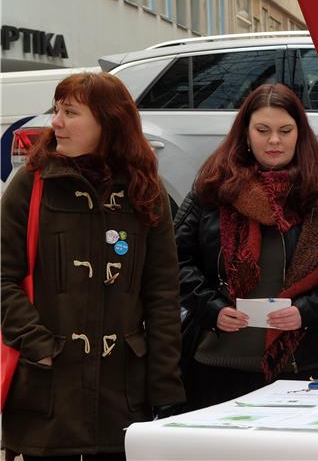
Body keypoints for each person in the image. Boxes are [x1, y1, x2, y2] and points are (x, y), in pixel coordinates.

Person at [1, 72, 185, 460]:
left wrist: (166, 392)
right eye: (57, 110)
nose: (56, 122)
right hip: (48, 395)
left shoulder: (146, 192)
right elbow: (3, 278)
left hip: (123, 398)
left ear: (108, 122)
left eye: (70, 112)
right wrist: (38, 343)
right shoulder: (31, 185)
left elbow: (163, 297)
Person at [175, 83, 318, 410]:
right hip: (216, 365)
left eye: (285, 130)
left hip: (301, 364)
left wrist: (306, 311)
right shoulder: (212, 189)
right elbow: (174, 260)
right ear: (245, 134)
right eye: (262, 130)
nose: (274, 140)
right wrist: (212, 309)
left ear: (299, 134)